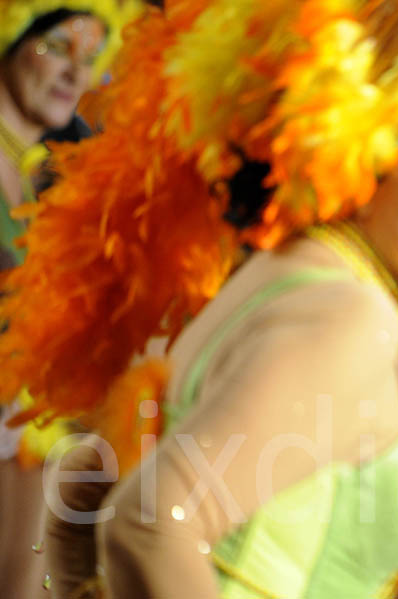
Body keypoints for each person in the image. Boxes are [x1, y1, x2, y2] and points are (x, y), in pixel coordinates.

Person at [0, 0, 398, 597]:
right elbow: (151, 525)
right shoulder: (347, 315)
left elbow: (89, 479)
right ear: (364, 147)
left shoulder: (299, 276)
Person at [0, 3, 128, 597]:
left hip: (30, 440)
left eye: (90, 57)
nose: (75, 74)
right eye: (57, 46)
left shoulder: (41, 175)